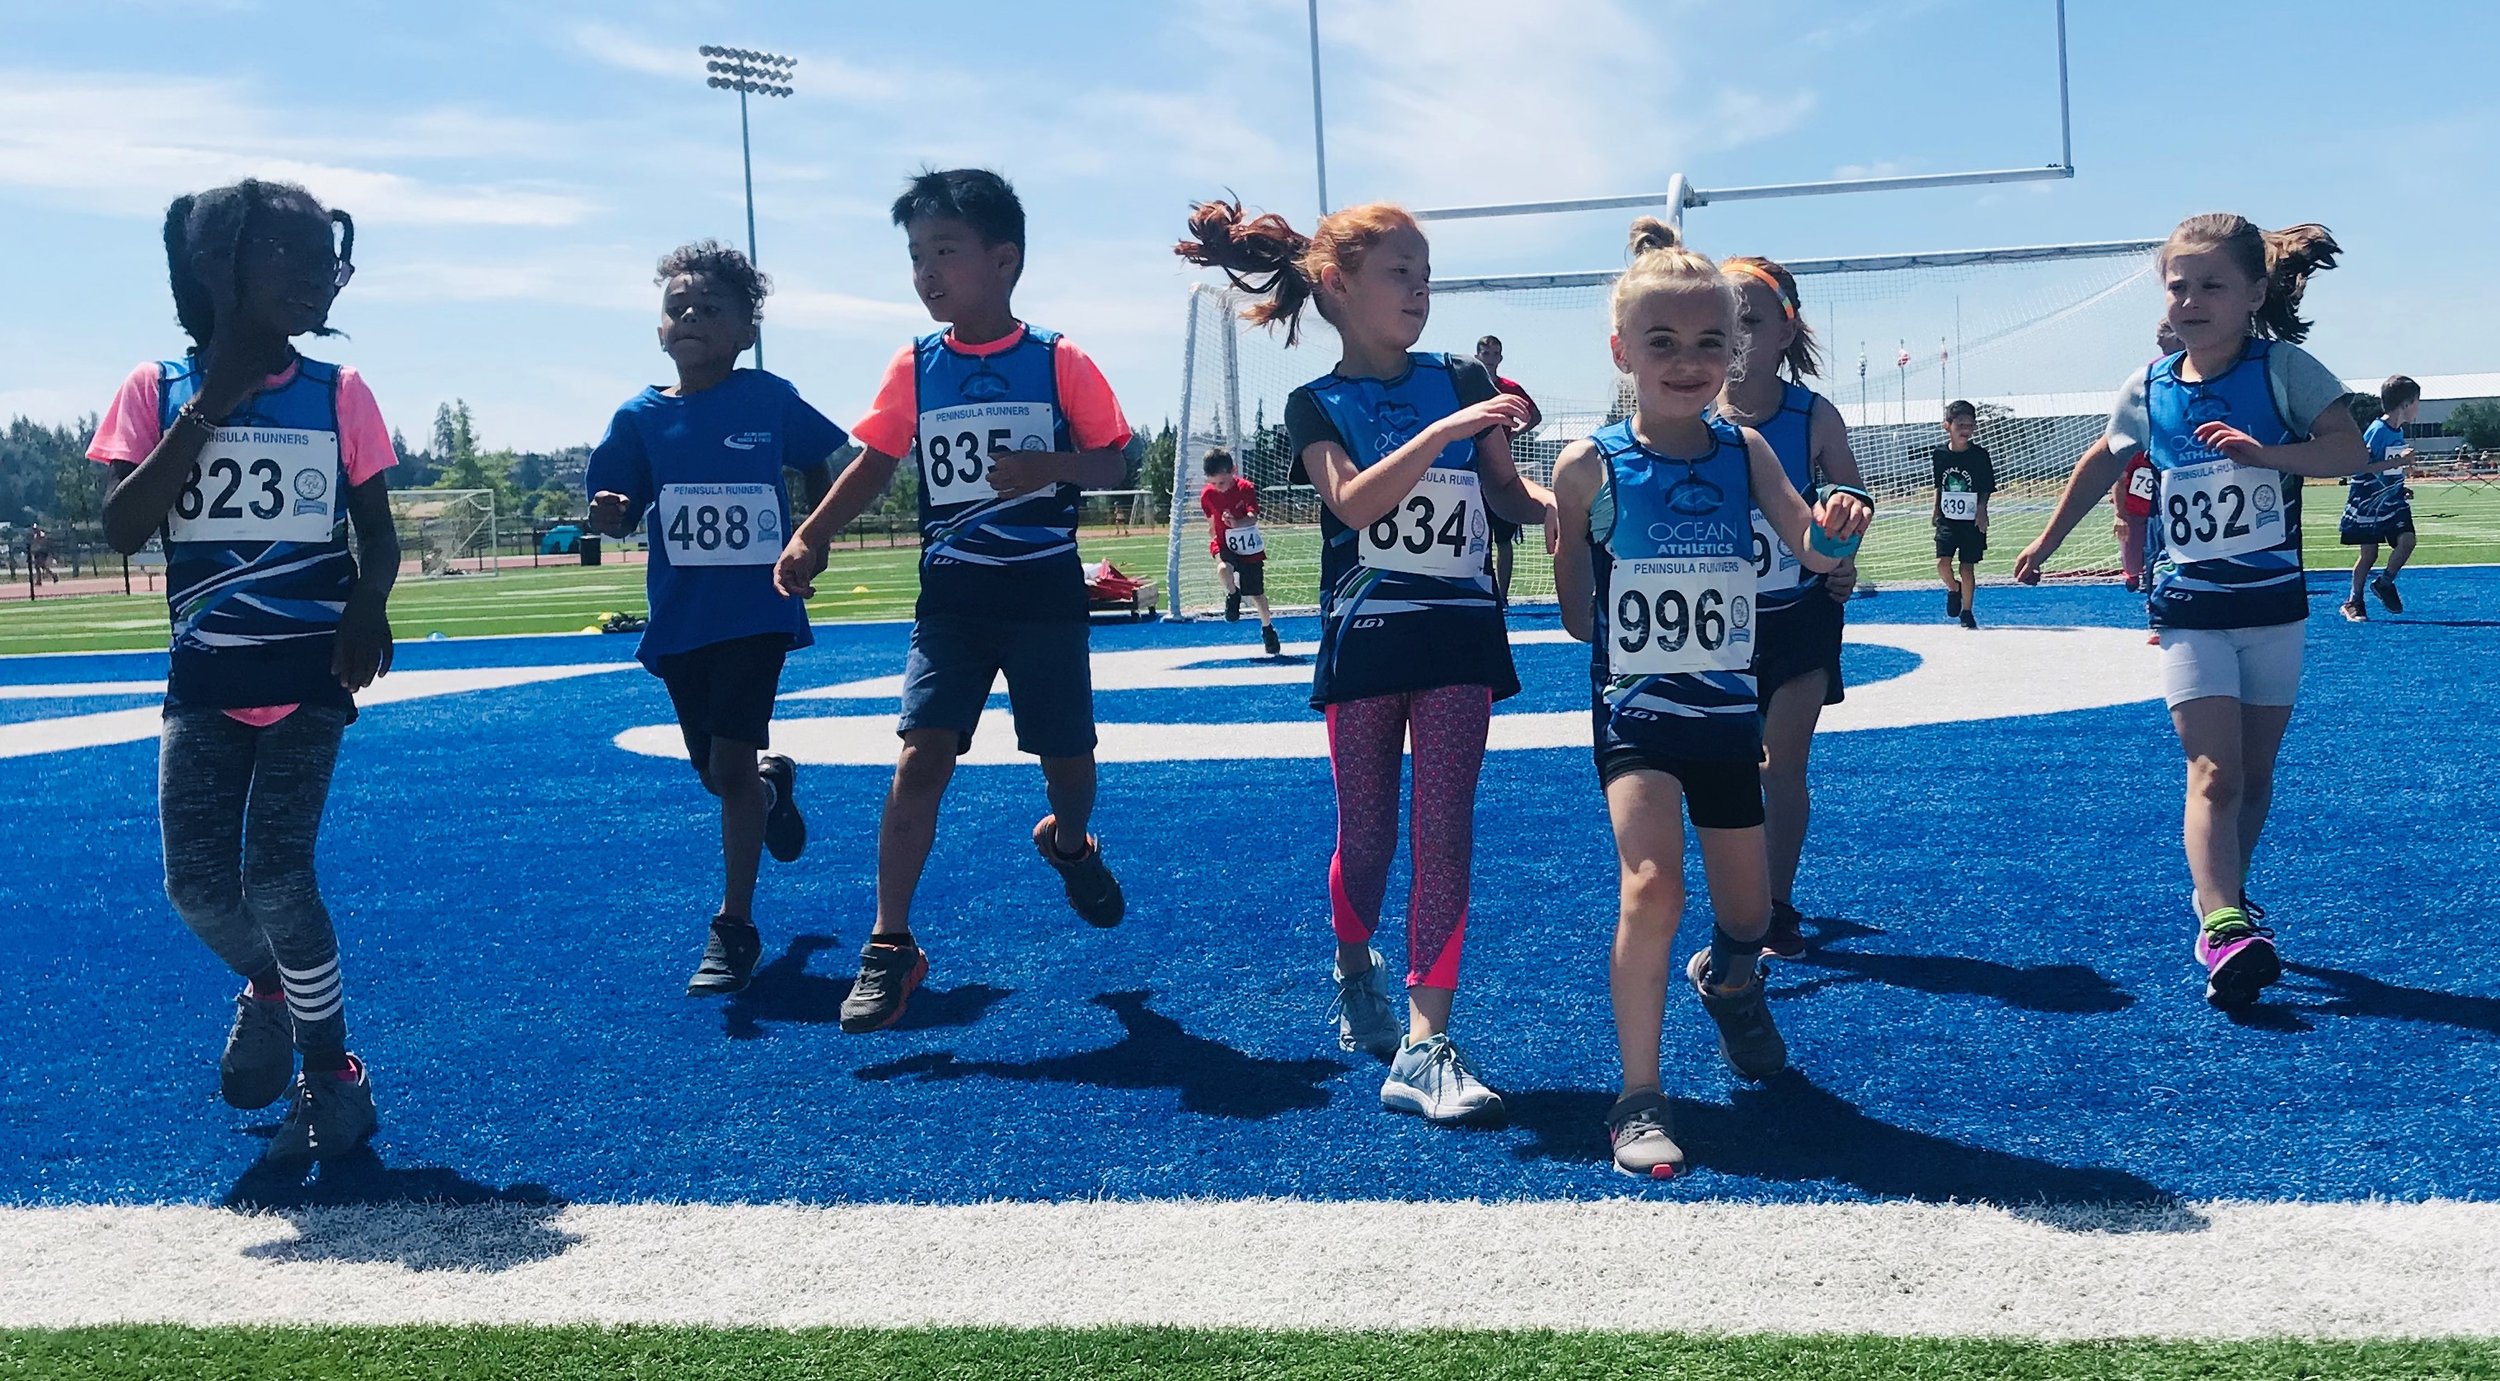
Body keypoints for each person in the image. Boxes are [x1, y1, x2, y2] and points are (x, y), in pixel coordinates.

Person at [1177, 197, 1552, 1126]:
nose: (1420, 291)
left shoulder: (1464, 378)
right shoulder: (1318, 403)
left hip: (1462, 631)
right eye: (1400, 274)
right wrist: (1443, 438)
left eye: (1427, 276)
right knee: (1372, 840)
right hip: (1368, 638)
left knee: (1445, 829)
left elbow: (1503, 496)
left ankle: (1427, 1043)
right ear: (1338, 288)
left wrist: (1568, 503)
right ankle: (1354, 968)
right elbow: (1352, 505)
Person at [775, 169, 1134, 1032]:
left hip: (1044, 591)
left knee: (1066, 762)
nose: (927, 273)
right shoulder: (916, 366)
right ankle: (889, 943)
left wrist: (1048, 465)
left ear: (1003, 260)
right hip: (954, 598)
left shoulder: (1058, 360)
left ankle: (1070, 842)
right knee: (920, 754)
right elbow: (874, 460)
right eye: (915, 256)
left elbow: (1114, 463)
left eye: (945, 251)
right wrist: (814, 532)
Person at [88, 178, 399, 1160]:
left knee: (278, 874)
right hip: (207, 680)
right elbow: (124, 526)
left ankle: (330, 1071)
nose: (319, 279)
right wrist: (210, 406)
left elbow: (377, 534)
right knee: (197, 887)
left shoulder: (337, 392)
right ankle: (270, 988)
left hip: (309, 674)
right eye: (294, 257)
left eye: (327, 261)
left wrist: (367, 602)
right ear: (219, 266)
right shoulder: (155, 389)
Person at [1552, 219, 1870, 1176]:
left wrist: (1842, 531)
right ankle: (1638, 1098)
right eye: (1663, 343)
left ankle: (1730, 983)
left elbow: (1814, 551)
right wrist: (1580, 539)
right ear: (1622, 354)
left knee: (1748, 915)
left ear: (1736, 352)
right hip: (1640, 717)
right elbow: (1578, 618)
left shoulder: (1747, 454)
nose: (1688, 362)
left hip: (1728, 721)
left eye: (1708, 344)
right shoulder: (1588, 464)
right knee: (1652, 887)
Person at [2015, 214, 2369, 1009]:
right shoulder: (2149, 387)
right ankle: (2224, 924)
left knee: (2254, 772)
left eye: (2212, 285)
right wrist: (2045, 542)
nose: (2192, 300)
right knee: (2212, 772)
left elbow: (2348, 450)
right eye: (2179, 285)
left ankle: (2228, 900)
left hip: (2275, 608)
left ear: (2253, 293)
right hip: (2188, 608)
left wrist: (2266, 454)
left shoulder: (2285, 371)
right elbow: (2100, 460)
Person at [585, 242, 840, 996]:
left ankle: (734, 927)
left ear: (745, 331)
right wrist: (608, 515)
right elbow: (619, 514)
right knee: (717, 775)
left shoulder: (767, 398)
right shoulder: (637, 418)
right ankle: (772, 786)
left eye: (710, 309)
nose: (690, 317)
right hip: (681, 620)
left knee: (725, 770)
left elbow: (824, 459)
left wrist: (811, 536)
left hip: (758, 612)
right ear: (659, 330)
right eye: (677, 309)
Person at [1712, 256, 1867, 958]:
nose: (1736, 336)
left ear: (1786, 329)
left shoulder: (1813, 415)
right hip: (1714, 630)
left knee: (1783, 765)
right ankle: (1739, 896)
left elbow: (1854, 500)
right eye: (1724, 320)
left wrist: (1843, 545)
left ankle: (1775, 905)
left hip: (1799, 615)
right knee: (1727, 770)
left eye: (1751, 319)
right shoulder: (1689, 417)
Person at [2339, 375, 2421, 620]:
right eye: (2417, 401)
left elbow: (2387, 468)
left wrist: (2399, 484)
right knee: (2369, 554)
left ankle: (2384, 582)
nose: (2419, 407)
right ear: (2405, 404)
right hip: (2369, 501)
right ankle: (2354, 600)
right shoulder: (2378, 431)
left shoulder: (2397, 431)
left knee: (2407, 540)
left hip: (2391, 499)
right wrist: (2401, 461)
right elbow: (2361, 466)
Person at [2113, 321, 2184, 594]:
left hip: (2179, 473)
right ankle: (2143, 576)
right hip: (2153, 478)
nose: (2157, 343)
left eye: (2161, 336)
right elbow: (2114, 465)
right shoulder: (2151, 376)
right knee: (2145, 530)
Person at [1475, 335, 1545, 607]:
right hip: (1470, 470)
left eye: (1495, 352)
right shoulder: (1467, 384)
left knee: (1504, 537)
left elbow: (1534, 416)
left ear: (1500, 358)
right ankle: (1483, 593)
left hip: (1500, 469)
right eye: (1486, 351)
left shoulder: (1510, 388)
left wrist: (1514, 432)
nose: (1490, 356)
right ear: (1478, 354)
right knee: (1476, 538)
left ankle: (1502, 596)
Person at [1199, 446, 1281, 655]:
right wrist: (1214, 534)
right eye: (1214, 483)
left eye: (1223, 483)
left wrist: (1238, 523)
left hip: (1248, 547)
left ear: (1233, 471)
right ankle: (1232, 595)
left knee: (1257, 594)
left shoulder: (1246, 489)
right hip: (1224, 543)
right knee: (1222, 569)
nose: (1219, 488)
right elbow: (1210, 521)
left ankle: (1267, 629)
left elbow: (1254, 516)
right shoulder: (1208, 495)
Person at [1931, 400, 1995, 629]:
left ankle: (1967, 612)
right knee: (1942, 563)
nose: (1966, 430)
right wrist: (1935, 508)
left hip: (1971, 521)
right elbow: (1939, 484)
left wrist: (1981, 510)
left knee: (1967, 567)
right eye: (1960, 425)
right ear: (1947, 425)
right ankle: (1953, 588)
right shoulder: (1939, 454)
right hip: (1947, 519)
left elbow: (1986, 486)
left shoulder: (1980, 456)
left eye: (1970, 425)